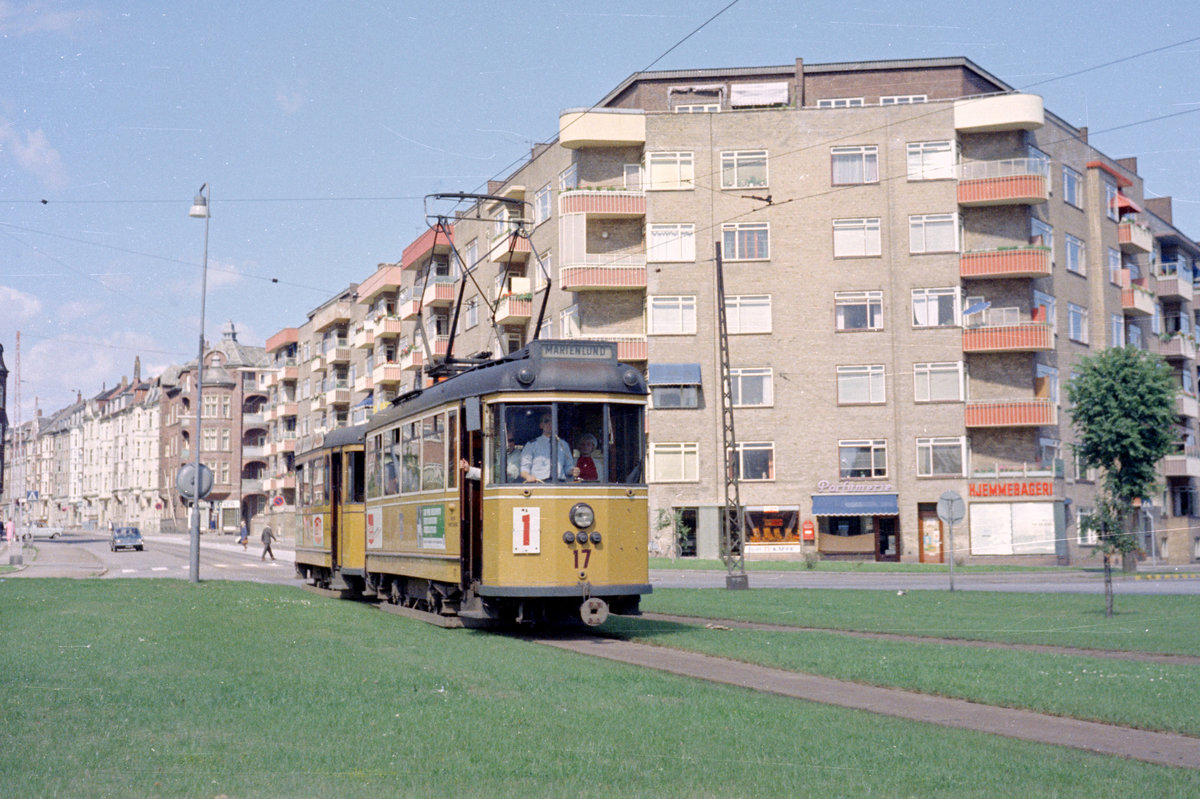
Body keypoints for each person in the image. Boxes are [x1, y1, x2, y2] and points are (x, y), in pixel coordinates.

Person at [520, 413, 578, 482]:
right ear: (541, 425)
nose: (550, 423)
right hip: (539, 484)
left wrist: (573, 471)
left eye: (553, 421)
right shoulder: (531, 445)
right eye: (546, 421)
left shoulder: (564, 444)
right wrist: (528, 476)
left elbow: (568, 467)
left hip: (560, 484)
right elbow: (524, 468)